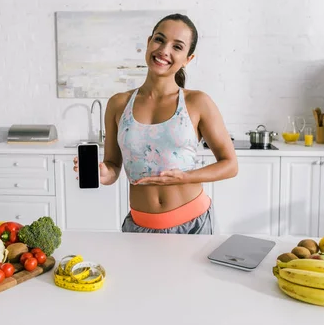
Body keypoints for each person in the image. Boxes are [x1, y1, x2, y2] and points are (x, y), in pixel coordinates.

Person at [74, 13, 238, 234]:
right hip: (139, 227)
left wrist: (186, 177)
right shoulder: (118, 103)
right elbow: (113, 165)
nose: (164, 50)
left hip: (193, 224)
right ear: (149, 42)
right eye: (159, 40)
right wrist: (104, 173)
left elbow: (230, 165)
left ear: (188, 59)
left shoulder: (197, 102)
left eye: (177, 47)